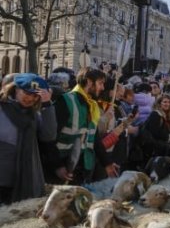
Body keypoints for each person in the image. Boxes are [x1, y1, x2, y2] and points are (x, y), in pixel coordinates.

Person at [51, 68, 117, 184]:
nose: (102, 88)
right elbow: (50, 137)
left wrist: (107, 163)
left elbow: (94, 137)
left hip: (82, 168)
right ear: (89, 82)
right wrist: (57, 166)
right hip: (64, 169)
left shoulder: (92, 105)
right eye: (100, 83)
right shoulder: (66, 101)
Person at [0, 74, 56, 204]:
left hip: (20, 181)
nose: (30, 98)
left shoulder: (34, 115)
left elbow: (49, 136)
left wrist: (47, 104)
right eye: (26, 93)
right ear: (16, 89)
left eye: (35, 95)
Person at [142, 94, 170, 159]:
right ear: (159, 103)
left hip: (162, 147)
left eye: (169, 102)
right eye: (165, 102)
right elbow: (154, 132)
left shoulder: (165, 116)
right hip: (155, 148)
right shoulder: (155, 114)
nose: (167, 104)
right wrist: (166, 137)